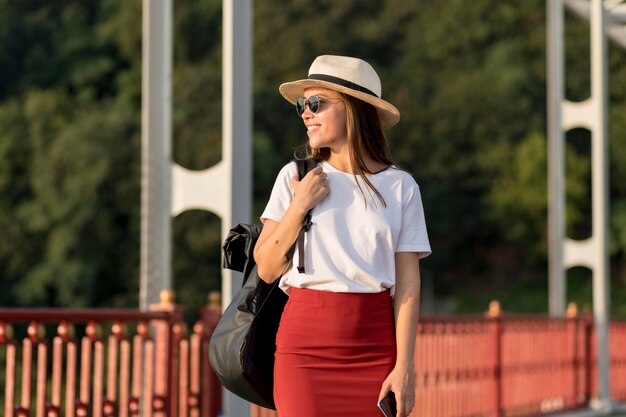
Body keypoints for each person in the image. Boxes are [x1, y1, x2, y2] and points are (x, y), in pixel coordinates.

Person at [253, 55, 431, 417]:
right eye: (303, 105)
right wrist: (300, 204)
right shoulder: (295, 177)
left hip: (376, 350)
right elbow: (267, 268)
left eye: (315, 103)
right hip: (304, 351)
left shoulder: (401, 187)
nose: (305, 113)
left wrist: (405, 367)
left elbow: (408, 285)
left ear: (353, 109)